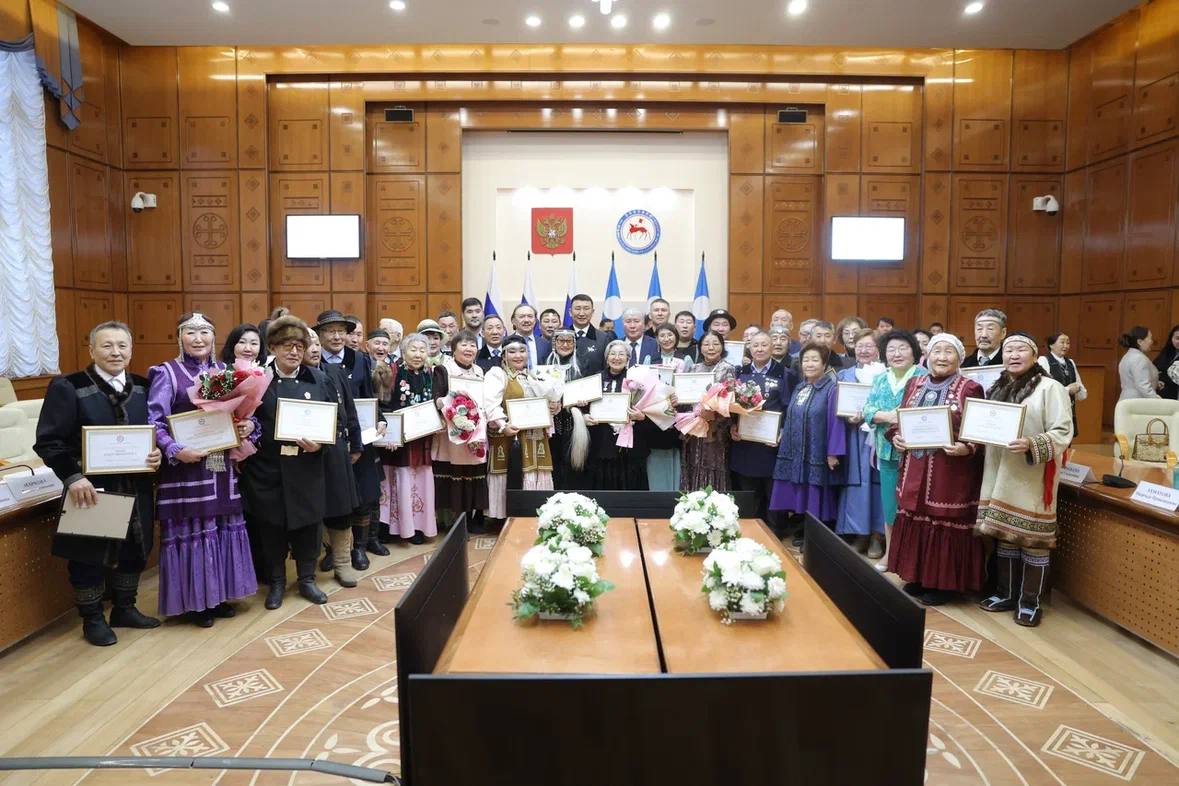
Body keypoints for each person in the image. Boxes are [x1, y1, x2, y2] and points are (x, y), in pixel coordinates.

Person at [35, 321, 164, 646]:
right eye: (107, 346)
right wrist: (73, 477)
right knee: (88, 555)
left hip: (137, 487)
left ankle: (125, 608)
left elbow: (156, 432)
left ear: (131, 350)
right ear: (91, 350)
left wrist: (157, 455)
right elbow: (49, 442)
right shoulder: (69, 386)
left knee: (136, 548)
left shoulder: (144, 386)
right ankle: (92, 618)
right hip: (90, 489)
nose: (115, 352)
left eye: (122, 345)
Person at [148, 312, 257, 626]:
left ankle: (220, 595)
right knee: (194, 530)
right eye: (191, 332)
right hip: (186, 468)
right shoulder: (166, 373)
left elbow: (244, 415)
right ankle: (197, 602)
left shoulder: (227, 371)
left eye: (205, 332)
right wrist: (175, 450)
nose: (198, 339)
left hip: (222, 466)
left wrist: (249, 425)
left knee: (222, 527)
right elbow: (154, 422)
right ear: (180, 337)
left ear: (214, 337)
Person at [975, 333, 1073, 627]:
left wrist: (1032, 443)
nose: (1013, 355)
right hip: (999, 472)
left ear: (1034, 355)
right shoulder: (997, 386)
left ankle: (1030, 601)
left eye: (1020, 349)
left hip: (1032, 475)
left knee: (1033, 541)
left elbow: (1062, 432)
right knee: (1006, 536)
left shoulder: (1050, 388)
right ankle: (1006, 594)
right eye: (1008, 350)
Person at [239, 316, 332, 609]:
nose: (293, 352)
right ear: (273, 348)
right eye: (286, 346)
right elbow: (244, 419)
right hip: (268, 469)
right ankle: (277, 582)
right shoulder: (258, 381)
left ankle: (307, 579)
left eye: (299, 346)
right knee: (272, 528)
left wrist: (321, 443)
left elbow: (335, 420)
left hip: (307, 467)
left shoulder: (318, 379)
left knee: (309, 527)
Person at [886, 333, 986, 606]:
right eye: (936, 351)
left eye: (948, 352)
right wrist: (895, 435)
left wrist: (967, 447)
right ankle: (918, 577)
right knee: (915, 516)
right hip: (914, 465)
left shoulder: (970, 388)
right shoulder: (914, 383)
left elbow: (980, 431)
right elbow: (901, 417)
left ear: (959, 357)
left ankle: (945, 585)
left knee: (942, 523)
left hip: (949, 470)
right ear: (927, 356)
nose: (942, 357)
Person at [315, 310, 384, 570]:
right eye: (330, 331)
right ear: (320, 335)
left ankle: (359, 549)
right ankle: (334, 549)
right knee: (334, 495)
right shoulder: (314, 361)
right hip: (328, 442)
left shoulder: (361, 360)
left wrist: (381, 420)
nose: (336, 336)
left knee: (364, 494)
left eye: (341, 331)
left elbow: (370, 397)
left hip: (360, 438)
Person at [305, 332, 369, 589]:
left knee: (341, 507)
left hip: (337, 449)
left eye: (317, 344)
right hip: (306, 453)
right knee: (311, 510)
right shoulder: (294, 379)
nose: (314, 349)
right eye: (307, 344)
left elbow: (350, 410)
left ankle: (342, 563)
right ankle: (309, 569)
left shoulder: (334, 371)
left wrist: (356, 443)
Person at [770, 342, 846, 547]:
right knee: (800, 493)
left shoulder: (832, 389)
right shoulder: (801, 386)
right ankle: (805, 530)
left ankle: (817, 538)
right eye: (806, 360)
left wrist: (833, 452)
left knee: (816, 495)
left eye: (815, 360)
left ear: (824, 364)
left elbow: (836, 422)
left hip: (817, 451)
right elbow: (791, 415)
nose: (809, 364)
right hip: (795, 450)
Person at [863, 330, 927, 571]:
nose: (897, 354)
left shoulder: (924, 377)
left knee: (912, 507)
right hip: (886, 452)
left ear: (914, 351)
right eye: (891, 349)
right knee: (890, 505)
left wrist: (889, 417)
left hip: (915, 454)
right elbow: (868, 407)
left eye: (903, 348)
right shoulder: (881, 378)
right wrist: (884, 415)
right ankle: (890, 554)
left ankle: (911, 559)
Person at [484, 335, 563, 528]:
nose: (518, 355)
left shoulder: (534, 375)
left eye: (522, 351)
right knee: (510, 473)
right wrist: (503, 425)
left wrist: (555, 406)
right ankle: (503, 517)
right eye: (512, 351)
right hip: (509, 436)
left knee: (535, 471)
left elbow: (550, 397)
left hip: (535, 435)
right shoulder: (497, 374)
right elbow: (490, 404)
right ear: (503, 355)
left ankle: (533, 513)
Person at [376, 333, 444, 544]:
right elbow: (384, 405)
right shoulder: (392, 372)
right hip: (398, 441)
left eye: (422, 350)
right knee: (400, 480)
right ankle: (398, 529)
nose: (418, 354)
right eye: (413, 350)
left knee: (420, 480)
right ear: (403, 351)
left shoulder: (431, 373)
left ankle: (418, 526)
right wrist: (391, 435)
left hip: (422, 439)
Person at [834, 329, 886, 556]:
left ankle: (877, 536)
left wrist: (870, 415)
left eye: (869, 346)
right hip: (852, 437)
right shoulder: (844, 375)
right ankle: (859, 533)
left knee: (878, 487)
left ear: (878, 350)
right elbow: (835, 406)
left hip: (878, 438)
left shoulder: (887, 375)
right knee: (856, 486)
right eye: (860, 346)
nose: (864, 350)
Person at [434, 330, 490, 533]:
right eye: (464, 345)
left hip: (478, 433)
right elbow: (437, 398)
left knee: (474, 475)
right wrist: (453, 414)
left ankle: (471, 519)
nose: (469, 349)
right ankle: (455, 524)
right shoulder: (443, 369)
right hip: (453, 433)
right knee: (455, 476)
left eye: (473, 345)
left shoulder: (480, 371)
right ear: (453, 348)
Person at [730, 330, 786, 524]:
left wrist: (782, 432)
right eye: (755, 345)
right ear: (749, 348)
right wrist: (732, 426)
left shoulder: (785, 373)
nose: (760, 349)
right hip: (744, 443)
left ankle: (775, 535)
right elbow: (729, 406)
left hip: (771, 445)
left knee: (772, 494)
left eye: (764, 345)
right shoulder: (739, 372)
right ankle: (748, 531)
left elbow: (789, 408)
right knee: (748, 494)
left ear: (772, 347)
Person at [579, 341, 651, 489]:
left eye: (621, 354)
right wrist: (584, 416)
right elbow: (583, 407)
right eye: (612, 354)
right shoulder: (595, 379)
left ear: (628, 358)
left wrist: (642, 416)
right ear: (606, 358)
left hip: (629, 448)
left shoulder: (637, 380)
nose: (616, 358)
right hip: (600, 443)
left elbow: (651, 409)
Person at [680, 331, 736, 492]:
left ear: (722, 347)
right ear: (700, 347)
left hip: (715, 432)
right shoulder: (693, 368)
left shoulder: (728, 369)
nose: (711, 348)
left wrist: (712, 419)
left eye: (716, 344)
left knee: (712, 467)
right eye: (706, 344)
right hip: (692, 430)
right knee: (693, 465)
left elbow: (730, 404)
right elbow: (685, 399)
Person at [545, 328, 589, 491]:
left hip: (574, 423)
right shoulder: (545, 364)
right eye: (561, 341)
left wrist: (585, 401)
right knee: (554, 463)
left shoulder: (583, 364)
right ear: (554, 343)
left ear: (574, 343)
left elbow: (589, 391)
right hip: (551, 424)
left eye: (569, 341)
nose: (565, 345)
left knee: (574, 466)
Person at [1038, 333, 1087, 438]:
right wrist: (1067, 390)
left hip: (1068, 409)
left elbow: (1081, 390)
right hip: (1052, 410)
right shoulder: (1044, 360)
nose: (1066, 346)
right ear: (1051, 345)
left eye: (1068, 343)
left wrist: (1078, 388)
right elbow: (1041, 389)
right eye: (1062, 342)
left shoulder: (1070, 362)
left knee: (1067, 442)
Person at [569, 293, 613, 373]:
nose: (581, 313)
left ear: (592, 312)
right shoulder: (560, 337)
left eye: (586, 308)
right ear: (570, 312)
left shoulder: (603, 339)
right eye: (577, 308)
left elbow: (608, 369)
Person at [1117, 326, 1160, 400]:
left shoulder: (1129, 355)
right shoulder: (1139, 358)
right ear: (1140, 342)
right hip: (1137, 402)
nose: (1152, 341)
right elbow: (1143, 386)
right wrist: (1158, 400)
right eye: (1150, 338)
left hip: (1128, 400)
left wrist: (1156, 383)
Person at [1153, 324, 1179, 399]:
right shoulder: (1166, 352)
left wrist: (1163, 376)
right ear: (1171, 338)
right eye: (1177, 338)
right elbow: (1154, 368)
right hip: (1161, 395)